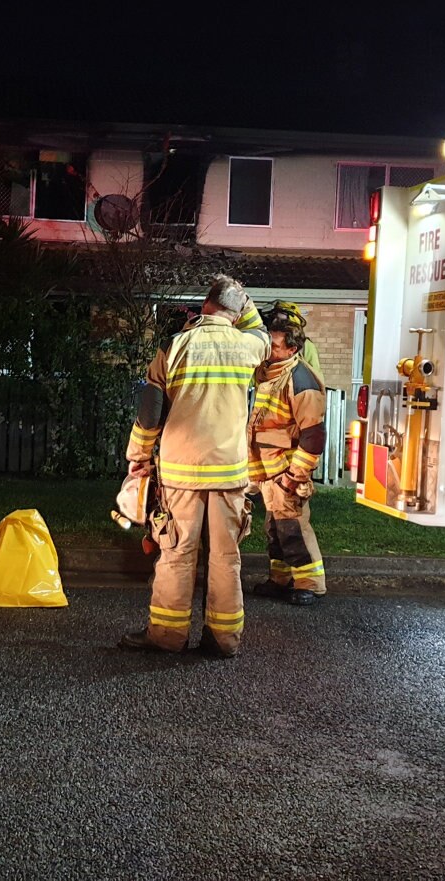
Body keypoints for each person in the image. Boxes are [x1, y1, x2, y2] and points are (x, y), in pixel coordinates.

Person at [118, 274, 270, 658]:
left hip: (181, 473)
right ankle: (223, 639)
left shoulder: (175, 346)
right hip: (230, 474)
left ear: (204, 305)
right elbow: (262, 334)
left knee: (177, 553)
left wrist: (138, 458)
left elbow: (150, 412)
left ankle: (167, 636)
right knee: (226, 558)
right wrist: (243, 301)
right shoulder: (247, 345)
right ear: (236, 314)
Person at [248, 310, 328, 606]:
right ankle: (280, 579)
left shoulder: (300, 379)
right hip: (269, 470)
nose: (269, 350)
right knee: (275, 528)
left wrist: (296, 475)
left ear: (292, 349)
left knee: (293, 527)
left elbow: (314, 434)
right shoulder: (270, 374)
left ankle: (310, 583)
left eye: (275, 346)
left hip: (286, 470)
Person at [268, 300, 322, 377]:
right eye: (274, 318)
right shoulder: (269, 340)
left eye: (280, 319)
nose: (275, 322)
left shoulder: (306, 346)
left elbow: (316, 374)